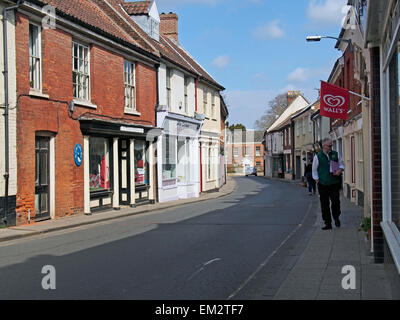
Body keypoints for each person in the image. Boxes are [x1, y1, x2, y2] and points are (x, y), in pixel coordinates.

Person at [312, 138, 344, 230]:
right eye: (330, 146)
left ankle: (336, 217)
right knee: (324, 204)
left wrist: (339, 170)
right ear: (324, 146)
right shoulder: (317, 157)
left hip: (334, 183)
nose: (331, 147)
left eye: (331, 145)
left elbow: (341, 164)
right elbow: (314, 170)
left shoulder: (335, 154)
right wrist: (317, 180)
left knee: (335, 201)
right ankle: (327, 223)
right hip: (323, 184)